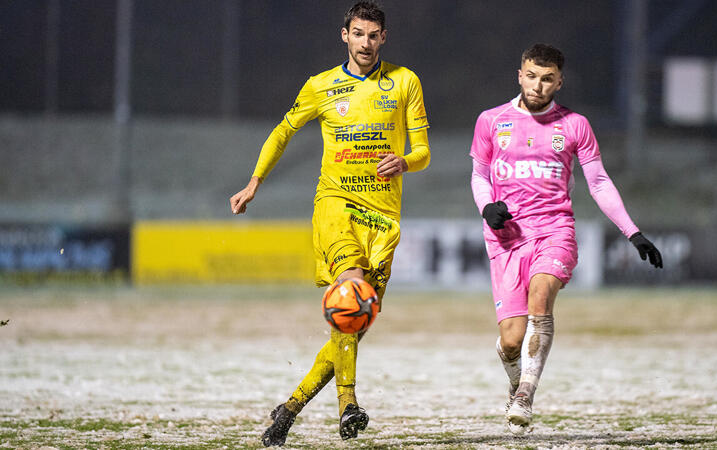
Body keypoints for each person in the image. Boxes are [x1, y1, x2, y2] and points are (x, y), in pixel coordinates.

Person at [229, 2, 430, 446]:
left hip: (382, 219)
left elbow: (423, 152)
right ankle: (348, 406)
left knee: (353, 322)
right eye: (358, 33)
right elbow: (283, 131)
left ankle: (289, 409)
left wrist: (405, 161)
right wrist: (254, 181)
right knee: (352, 292)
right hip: (336, 207)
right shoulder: (321, 86)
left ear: (384, 38)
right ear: (345, 35)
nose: (366, 43)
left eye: (374, 35)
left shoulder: (404, 82)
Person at [469, 43, 662, 435]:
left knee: (542, 295)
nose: (538, 85)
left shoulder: (575, 125)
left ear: (559, 81)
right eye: (532, 76)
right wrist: (487, 207)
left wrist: (633, 231)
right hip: (506, 239)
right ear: (520, 75)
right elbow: (479, 175)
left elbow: (599, 182)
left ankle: (525, 394)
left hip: (555, 229)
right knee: (511, 341)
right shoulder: (491, 121)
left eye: (547, 79)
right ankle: (514, 381)